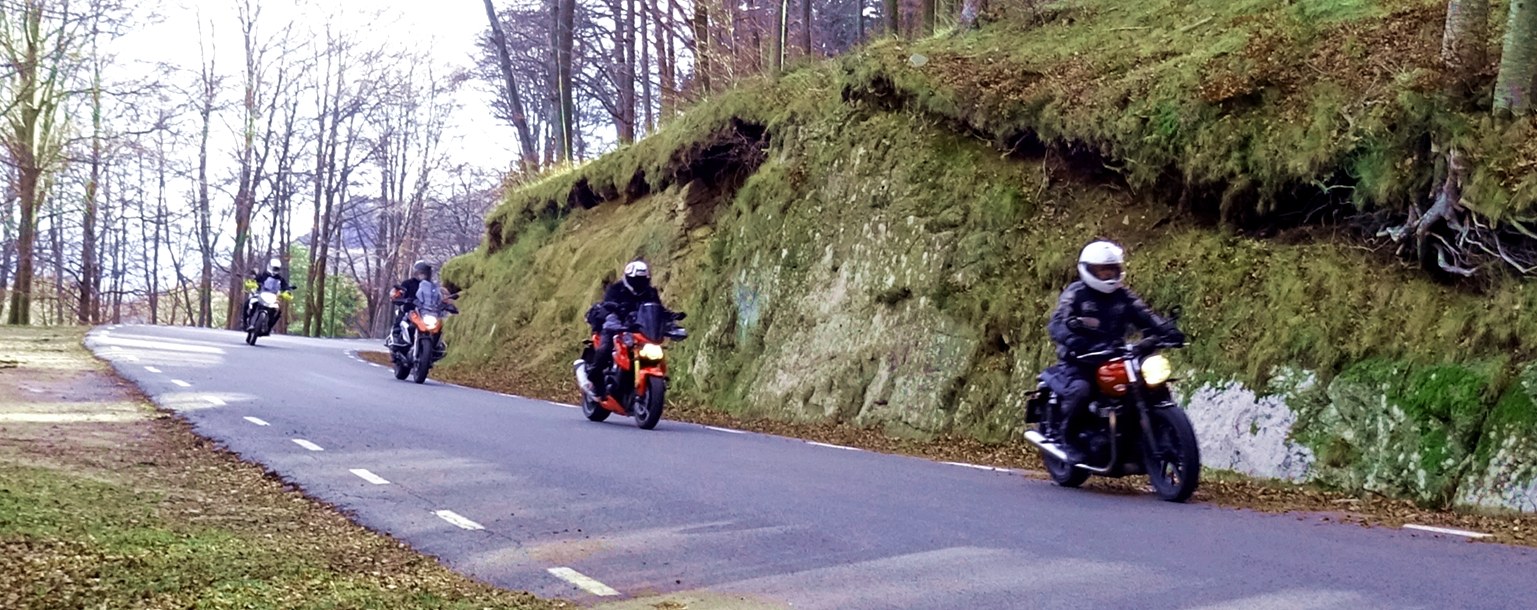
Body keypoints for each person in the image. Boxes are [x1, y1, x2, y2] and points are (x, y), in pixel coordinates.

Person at [1044, 240, 1183, 462]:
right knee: (1081, 390)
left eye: (1112, 270)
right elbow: (1058, 322)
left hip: (1113, 354)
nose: (1108, 275)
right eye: (1102, 270)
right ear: (1088, 270)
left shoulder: (1122, 295)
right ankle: (1067, 437)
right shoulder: (1076, 294)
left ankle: (1154, 438)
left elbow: (1144, 314)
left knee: (1148, 385)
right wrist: (1073, 339)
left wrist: (1167, 330)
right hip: (1080, 360)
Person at [582, 260, 664, 398]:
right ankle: (595, 378)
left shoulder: (650, 292)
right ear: (628, 277)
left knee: (653, 349)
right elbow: (607, 304)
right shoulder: (616, 289)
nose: (639, 282)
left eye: (642, 279)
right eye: (636, 279)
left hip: (638, 328)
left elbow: (656, 308)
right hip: (615, 326)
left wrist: (668, 317)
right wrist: (613, 311)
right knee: (605, 349)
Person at [388, 261, 434, 348]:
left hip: (425, 311)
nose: (423, 275)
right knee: (402, 314)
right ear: (416, 272)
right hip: (410, 309)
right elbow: (399, 293)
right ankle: (396, 335)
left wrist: (443, 302)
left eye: (425, 273)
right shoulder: (407, 283)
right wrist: (402, 299)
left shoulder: (431, 286)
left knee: (437, 324)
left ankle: (438, 343)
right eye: (421, 273)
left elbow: (437, 296)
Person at [244, 258, 294, 332]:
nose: (275, 270)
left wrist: (287, 290)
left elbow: (285, 286)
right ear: (270, 266)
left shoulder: (280, 279)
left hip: (272, 297)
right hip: (261, 294)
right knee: (249, 303)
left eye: (277, 269)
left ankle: (269, 327)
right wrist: (252, 283)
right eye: (274, 268)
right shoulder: (263, 275)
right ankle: (247, 323)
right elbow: (255, 280)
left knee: (278, 311)